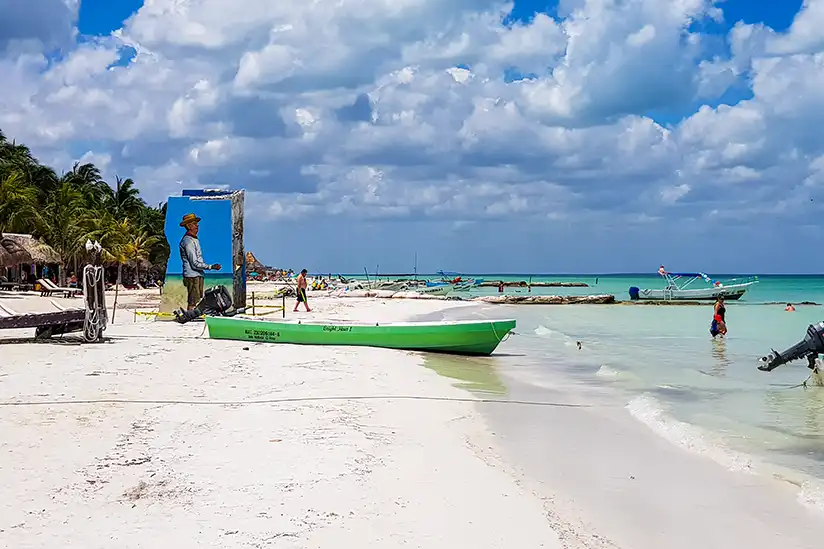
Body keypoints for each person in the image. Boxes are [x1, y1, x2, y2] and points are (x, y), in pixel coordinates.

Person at [178, 213, 221, 310]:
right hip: (192, 275)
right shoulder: (188, 241)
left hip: (197, 274)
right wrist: (211, 267)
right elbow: (194, 263)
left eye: (196, 223)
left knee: (197, 298)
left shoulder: (193, 239)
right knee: (193, 300)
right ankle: (190, 316)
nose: (197, 226)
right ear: (188, 226)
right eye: (194, 224)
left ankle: (193, 315)